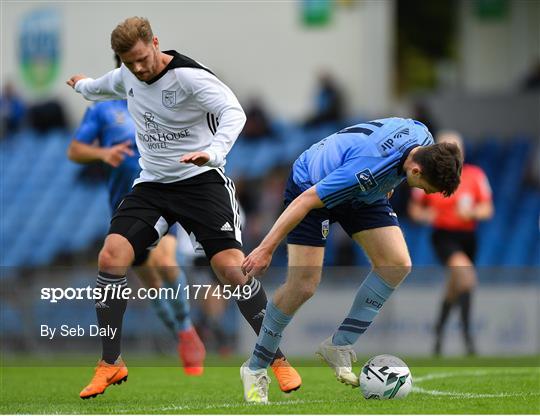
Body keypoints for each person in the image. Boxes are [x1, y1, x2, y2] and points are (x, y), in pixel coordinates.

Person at [66, 17, 300, 399]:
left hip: (201, 181)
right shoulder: (127, 75)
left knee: (229, 269)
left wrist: (214, 152)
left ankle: (277, 358)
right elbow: (101, 87)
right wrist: (82, 86)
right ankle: (111, 362)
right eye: (129, 62)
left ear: (155, 43)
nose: (138, 68)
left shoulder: (190, 77)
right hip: (154, 185)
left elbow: (233, 113)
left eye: (142, 58)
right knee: (111, 256)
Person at [240, 117, 463, 403]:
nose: (424, 193)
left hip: (364, 189)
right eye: (425, 188)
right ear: (417, 169)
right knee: (303, 286)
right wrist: (265, 248)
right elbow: (305, 201)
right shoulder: (368, 168)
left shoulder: (423, 135)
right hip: (312, 183)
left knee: (397, 264)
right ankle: (256, 367)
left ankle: (338, 345)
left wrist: (390, 181)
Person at [67, 56, 206, 376]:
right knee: (151, 280)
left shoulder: (159, 97)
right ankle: (183, 332)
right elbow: (75, 150)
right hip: (125, 207)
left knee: (166, 260)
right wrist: (103, 153)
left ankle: (187, 334)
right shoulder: (101, 108)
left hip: (162, 197)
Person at [408, 131, 493, 356]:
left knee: (456, 286)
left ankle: (439, 330)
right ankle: (467, 336)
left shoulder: (475, 175)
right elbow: (415, 209)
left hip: (468, 238)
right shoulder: (430, 174)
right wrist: (427, 215)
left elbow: (487, 209)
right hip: (444, 236)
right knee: (466, 277)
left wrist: (472, 212)